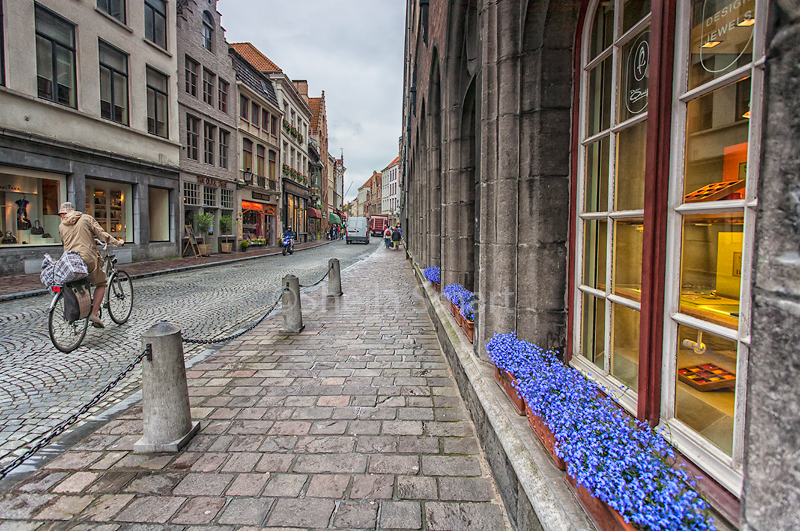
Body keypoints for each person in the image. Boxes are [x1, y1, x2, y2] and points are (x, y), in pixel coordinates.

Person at [58, 202, 124, 328]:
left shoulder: (62, 225)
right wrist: (117, 242)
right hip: (86, 258)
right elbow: (101, 234)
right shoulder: (86, 218)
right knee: (101, 283)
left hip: (71, 260)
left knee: (78, 283)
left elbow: (67, 243)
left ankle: (78, 310)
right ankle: (94, 314)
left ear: (63, 214)